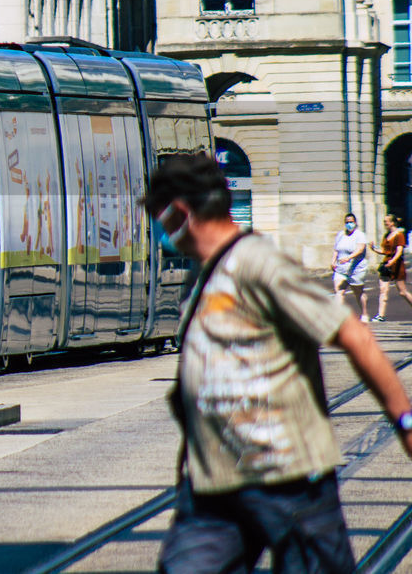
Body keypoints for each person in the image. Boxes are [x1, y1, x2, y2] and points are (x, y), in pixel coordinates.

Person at [143, 153, 412, 573]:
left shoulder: (258, 264)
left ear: (180, 212)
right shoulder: (201, 278)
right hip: (213, 484)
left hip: (287, 478)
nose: (158, 232)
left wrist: (405, 423)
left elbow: (353, 335)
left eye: (157, 219)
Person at [369, 214, 412, 322]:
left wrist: (392, 261)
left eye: (386, 222)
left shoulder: (399, 235)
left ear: (392, 222)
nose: (385, 224)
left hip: (397, 265)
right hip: (386, 265)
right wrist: (374, 249)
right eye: (384, 222)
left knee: (402, 292)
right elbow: (384, 251)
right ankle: (381, 315)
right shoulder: (387, 235)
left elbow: (399, 251)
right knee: (383, 290)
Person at [330, 212, 369, 320]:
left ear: (355, 223)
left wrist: (349, 257)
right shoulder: (341, 235)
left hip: (356, 269)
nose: (349, 224)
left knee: (358, 292)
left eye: (351, 222)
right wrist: (333, 261)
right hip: (341, 269)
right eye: (347, 222)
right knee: (339, 291)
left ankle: (364, 313)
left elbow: (360, 249)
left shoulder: (359, 235)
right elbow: (336, 250)